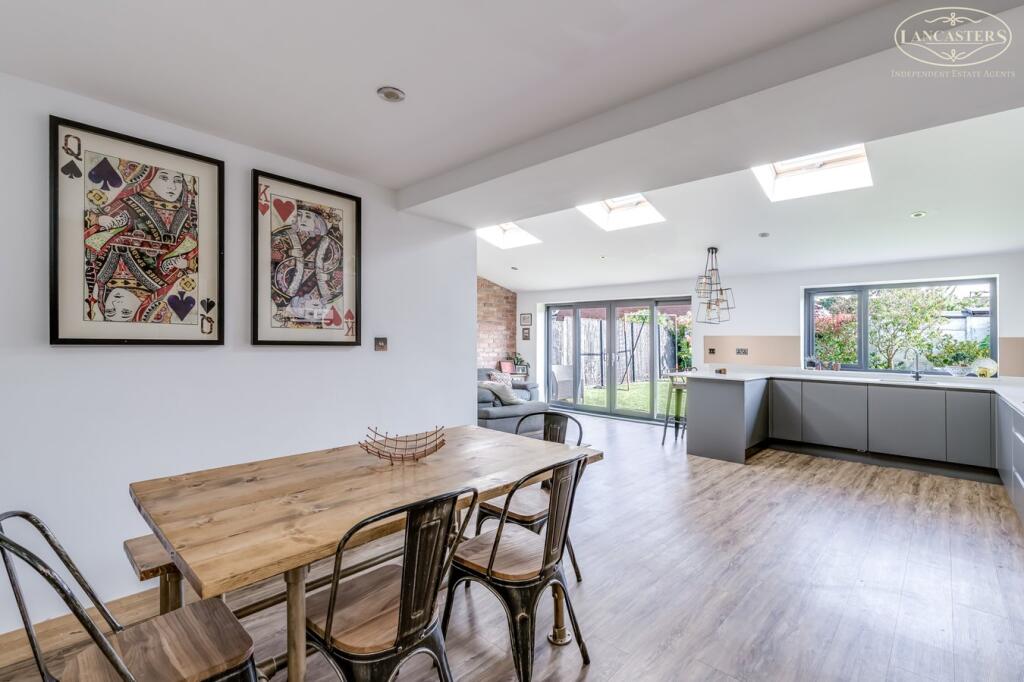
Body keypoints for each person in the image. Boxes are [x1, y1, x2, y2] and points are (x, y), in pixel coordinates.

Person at [84, 157, 199, 323]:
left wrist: (101, 221)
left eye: (177, 180)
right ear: (148, 178)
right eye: (164, 178)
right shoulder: (124, 203)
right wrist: (185, 264)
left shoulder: (186, 215)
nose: (172, 186)